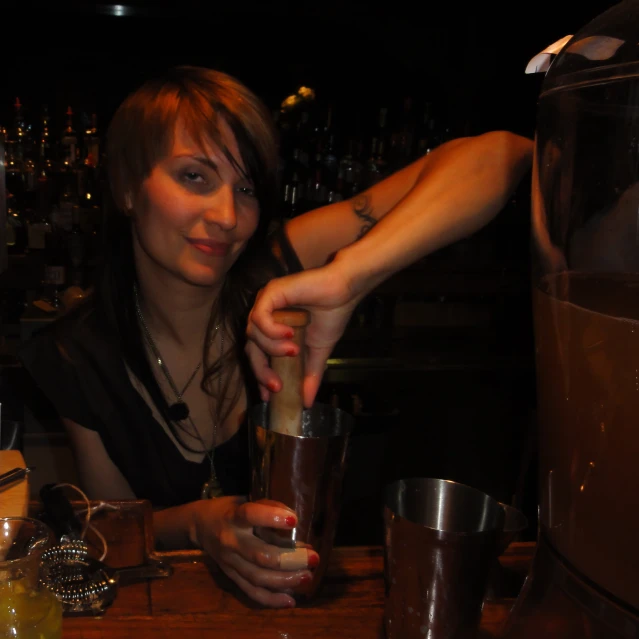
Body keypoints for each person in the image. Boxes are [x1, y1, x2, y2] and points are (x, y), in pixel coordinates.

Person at [19, 66, 533, 609]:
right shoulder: (79, 354)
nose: (227, 216)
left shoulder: (280, 269)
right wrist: (201, 524)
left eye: (245, 188)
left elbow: (504, 154)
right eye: (195, 176)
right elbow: (114, 533)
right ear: (126, 187)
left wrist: (348, 275)